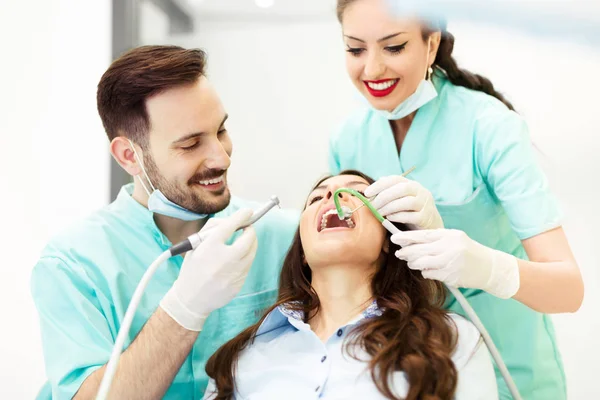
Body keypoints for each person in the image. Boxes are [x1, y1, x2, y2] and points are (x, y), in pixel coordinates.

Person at [31, 45, 416, 399]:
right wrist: (184, 309)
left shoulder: (280, 236)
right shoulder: (73, 265)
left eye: (221, 130)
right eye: (190, 144)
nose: (221, 157)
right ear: (129, 156)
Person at [328, 1, 583, 399]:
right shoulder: (348, 140)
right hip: (405, 377)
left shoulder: (489, 127)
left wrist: (486, 268)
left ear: (431, 44)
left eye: (394, 47)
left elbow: (569, 289)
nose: (372, 69)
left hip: (510, 373)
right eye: (355, 49)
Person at [203, 171, 498, 400]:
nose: (332, 194)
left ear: (388, 240)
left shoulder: (449, 339)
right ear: (303, 253)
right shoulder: (241, 357)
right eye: (316, 198)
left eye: (358, 193)